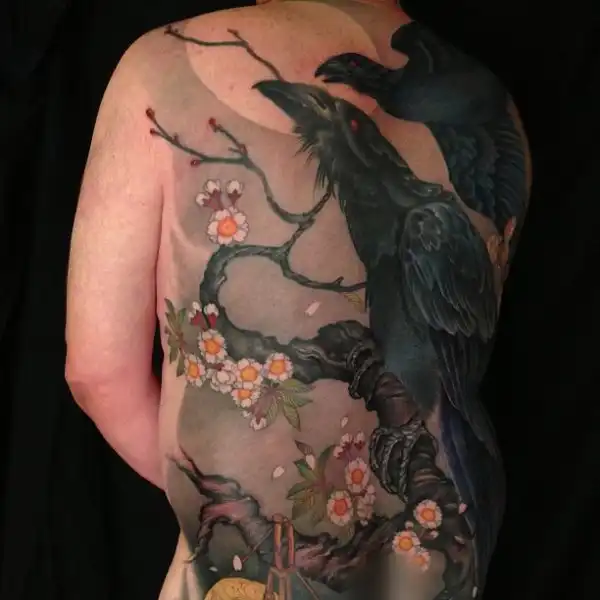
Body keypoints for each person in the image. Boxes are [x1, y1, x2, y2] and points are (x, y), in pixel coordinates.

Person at [65, 0, 531, 598]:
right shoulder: (489, 102)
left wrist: (230, 500)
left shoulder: (162, 68)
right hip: (448, 557)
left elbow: (98, 374)